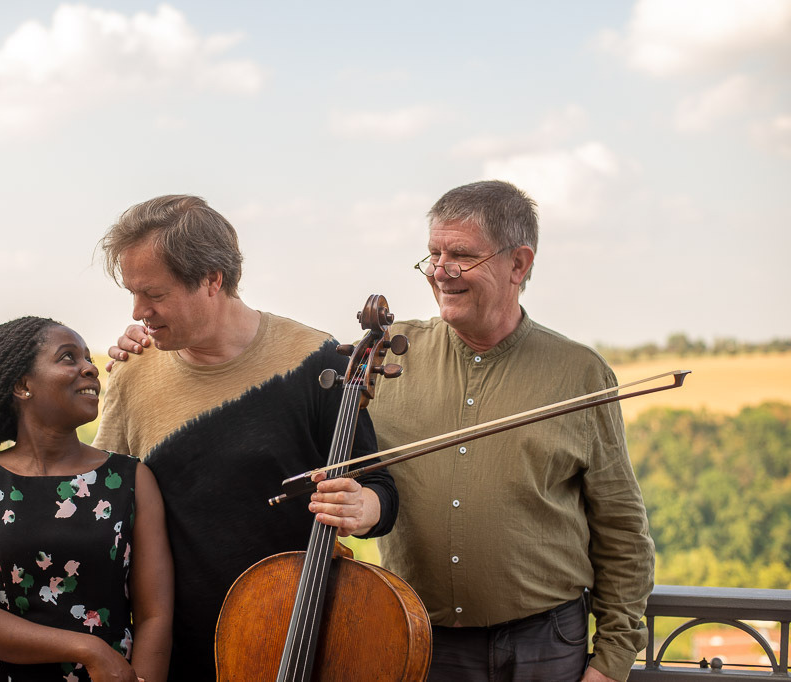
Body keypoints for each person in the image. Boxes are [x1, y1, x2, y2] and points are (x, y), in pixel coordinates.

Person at [105, 181, 655, 682]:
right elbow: (105, 506)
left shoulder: (579, 374)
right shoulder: (380, 357)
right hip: (417, 636)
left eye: (462, 255)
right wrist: (143, 340)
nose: (441, 270)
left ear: (519, 263)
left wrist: (611, 661)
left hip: (543, 640)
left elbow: (622, 529)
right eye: (434, 255)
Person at [0, 196, 399, 682]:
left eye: (154, 294)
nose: (138, 311)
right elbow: (95, 501)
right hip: (169, 655)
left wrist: (364, 507)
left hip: (291, 639)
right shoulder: (131, 371)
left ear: (212, 279)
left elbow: (381, 491)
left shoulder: (319, 362)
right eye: (133, 293)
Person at [0, 316, 173, 682]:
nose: (90, 368)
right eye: (68, 357)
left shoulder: (131, 479)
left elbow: (155, 615)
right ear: (22, 385)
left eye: (88, 358)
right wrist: (90, 649)